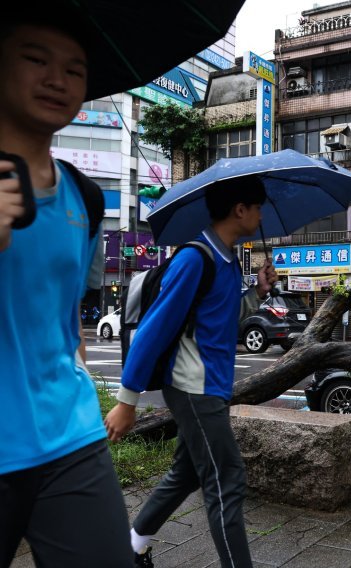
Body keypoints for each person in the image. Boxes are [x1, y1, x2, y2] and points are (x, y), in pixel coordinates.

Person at [0, 10, 133, 568]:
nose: (57, 79)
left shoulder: (86, 196)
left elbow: (65, 317)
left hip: (70, 436)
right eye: (35, 59)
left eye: (74, 69)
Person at [104, 176, 278, 568]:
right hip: (192, 386)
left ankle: (133, 545)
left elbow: (222, 320)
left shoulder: (227, 260)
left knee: (188, 471)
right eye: (258, 206)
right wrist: (127, 400)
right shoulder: (193, 258)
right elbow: (154, 328)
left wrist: (258, 293)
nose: (261, 214)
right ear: (240, 210)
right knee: (227, 478)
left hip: (210, 386)